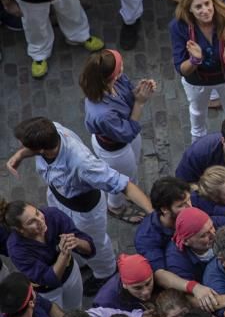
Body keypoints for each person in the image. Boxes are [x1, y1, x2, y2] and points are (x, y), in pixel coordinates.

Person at [7, 117, 153, 294]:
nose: (22, 147)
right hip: (58, 195)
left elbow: (124, 185)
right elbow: (36, 149)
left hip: (84, 211)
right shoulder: (50, 130)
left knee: (96, 244)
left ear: (42, 150)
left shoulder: (83, 163)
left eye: (25, 146)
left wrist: (152, 212)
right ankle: (80, 257)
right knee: (69, 235)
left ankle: (105, 273)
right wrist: (20, 155)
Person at [79, 49, 155, 224]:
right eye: (120, 67)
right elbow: (126, 133)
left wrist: (140, 90)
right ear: (111, 76)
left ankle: (131, 194)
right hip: (114, 148)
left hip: (125, 134)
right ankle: (115, 206)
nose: (123, 68)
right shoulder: (102, 113)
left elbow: (129, 91)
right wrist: (140, 102)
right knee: (119, 180)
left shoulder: (114, 81)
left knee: (132, 168)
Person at [169, 0, 225, 140]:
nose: (205, 10)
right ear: (189, 9)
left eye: (207, 4)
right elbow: (181, 68)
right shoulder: (179, 27)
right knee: (197, 113)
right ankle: (198, 147)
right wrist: (195, 60)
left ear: (213, 1)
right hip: (197, 81)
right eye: (198, 7)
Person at [2, 200, 92, 309]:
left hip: (70, 273)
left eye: (37, 213)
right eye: (31, 222)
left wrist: (77, 242)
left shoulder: (53, 215)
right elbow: (49, 279)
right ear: (20, 230)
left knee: (76, 307)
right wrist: (63, 255)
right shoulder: (16, 249)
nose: (40, 220)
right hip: (47, 291)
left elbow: (89, 248)